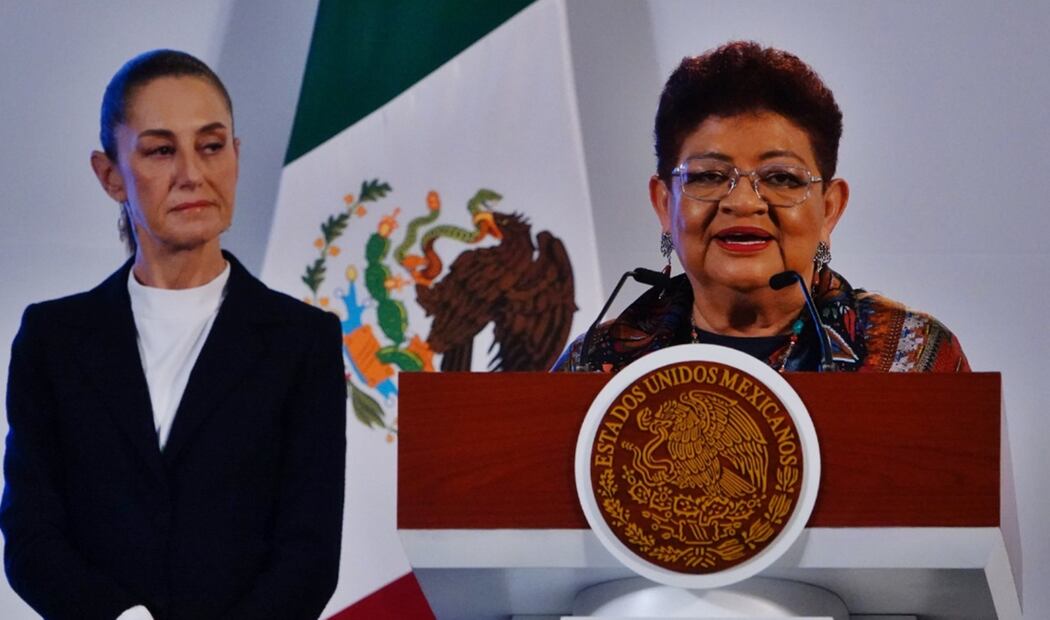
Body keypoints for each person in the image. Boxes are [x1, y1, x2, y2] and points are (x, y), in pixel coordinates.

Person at [1, 50, 346, 619]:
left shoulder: (302, 341)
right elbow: (31, 537)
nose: (192, 174)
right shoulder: (53, 339)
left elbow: (308, 555)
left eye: (211, 146)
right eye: (161, 150)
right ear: (111, 175)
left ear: (236, 155)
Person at [555, 41, 969, 373]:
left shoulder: (914, 359)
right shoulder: (595, 365)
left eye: (781, 178)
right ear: (665, 204)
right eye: (709, 176)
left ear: (829, 209)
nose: (742, 202)